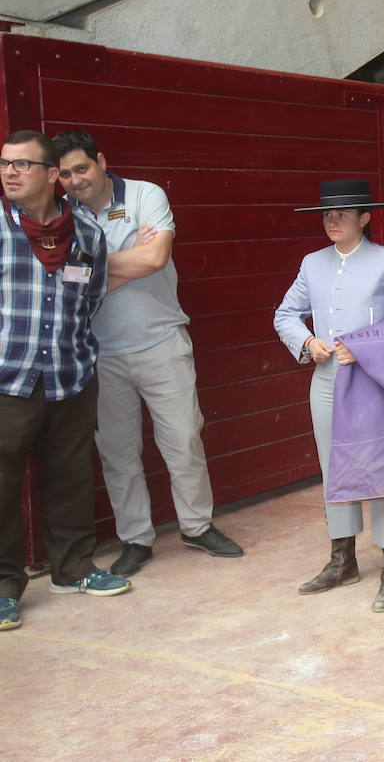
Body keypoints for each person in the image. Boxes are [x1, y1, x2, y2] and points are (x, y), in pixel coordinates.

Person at [52, 131, 243, 577]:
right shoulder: (61, 215)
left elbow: (155, 259)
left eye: (82, 168)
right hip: (99, 353)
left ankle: (196, 527)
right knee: (117, 452)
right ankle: (136, 539)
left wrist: (94, 268)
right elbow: (64, 278)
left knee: (183, 441)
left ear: (100, 161)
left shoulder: (144, 194)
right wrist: (127, 256)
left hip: (161, 341)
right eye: (65, 174)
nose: (76, 180)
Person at [274, 180, 384, 613]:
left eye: (342, 214)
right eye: (327, 214)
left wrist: (366, 345)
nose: (332, 221)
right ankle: (342, 560)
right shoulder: (313, 263)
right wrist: (308, 343)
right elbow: (285, 313)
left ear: (365, 217)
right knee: (334, 469)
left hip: (376, 382)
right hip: (326, 380)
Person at [2, 130, 131, 632]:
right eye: (5, 163)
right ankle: (3, 587)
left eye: (23, 165)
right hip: (6, 379)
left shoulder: (89, 234)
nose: (11, 173)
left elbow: (92, 296)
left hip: (70, 375)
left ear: (51, 176)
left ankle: (73, 569)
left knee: (70, 477)